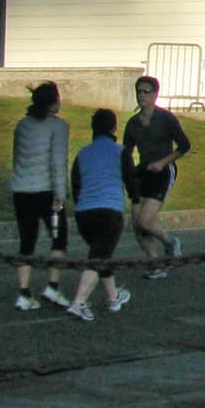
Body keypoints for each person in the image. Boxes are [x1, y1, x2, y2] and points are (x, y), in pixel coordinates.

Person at [7, 81, 70, 312]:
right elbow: (58, 162)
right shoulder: (59, 127)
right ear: (53, 102)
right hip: (46, 190)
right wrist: (60, 194)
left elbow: (17, 157)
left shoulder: (22, 125)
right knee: (59, 239)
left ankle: (24, 293)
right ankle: (52, 286)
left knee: (27, 241)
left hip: (22, 189)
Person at [66, 108, 132, 320]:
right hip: (110, 211)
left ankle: (114, 296)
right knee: (98, 256)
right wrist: (136, 198)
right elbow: (132, 180)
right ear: (114, 128)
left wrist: (80, 206)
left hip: (84, 212)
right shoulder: (120, 151)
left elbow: (75, 184)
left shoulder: (83, 153)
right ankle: (79, 302)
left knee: (101, 253)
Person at [122, 74, 192, 274]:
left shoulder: (165, 118)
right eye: (139, 92)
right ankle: (156, 263)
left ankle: (170, 243)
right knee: (137, 224)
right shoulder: (133, 123)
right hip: (143, 172)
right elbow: (126, 152)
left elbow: (185, 146)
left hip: (163, 170)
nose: (142, 96)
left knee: (146, 220)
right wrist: (129, 175)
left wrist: (163, 163)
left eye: (146, 92)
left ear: (155, 95)